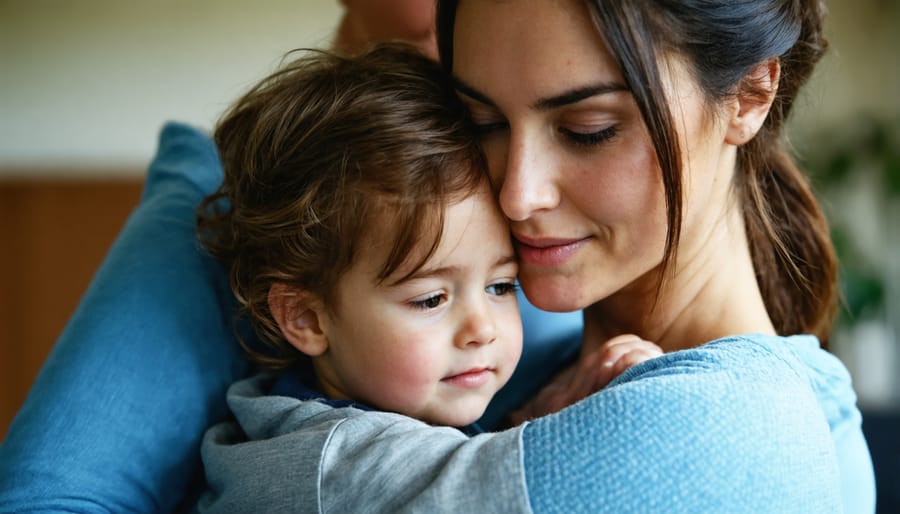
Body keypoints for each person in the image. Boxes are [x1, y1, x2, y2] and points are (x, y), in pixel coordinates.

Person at [0, 1, 876, 513]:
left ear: (752, 92)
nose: (518, 191)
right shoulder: (464, 284)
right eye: (485, 121)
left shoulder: (746, 424)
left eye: (588, 128)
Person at [196, 44, 660, 435]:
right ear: (306, 318)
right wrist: (566, 421)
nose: (482, 329)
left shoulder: (397, 413)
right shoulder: (327, 453)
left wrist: (536, 413)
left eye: (501, 286)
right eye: (431, 299)